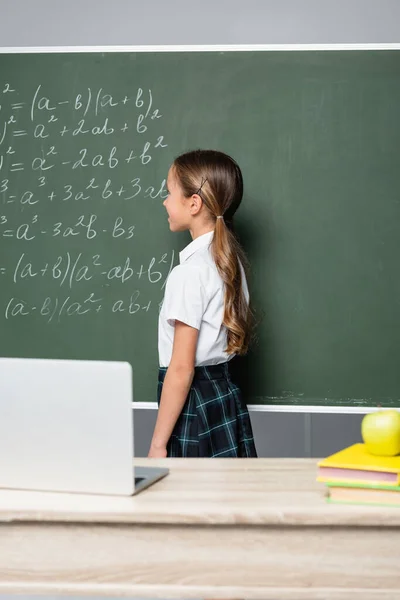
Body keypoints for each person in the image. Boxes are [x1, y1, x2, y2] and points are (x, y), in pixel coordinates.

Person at [148, 149, 257, 459]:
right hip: (223, 396)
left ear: (193, 203)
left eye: (169, 193)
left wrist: (158, 444)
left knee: (189, 500)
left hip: (194, 405)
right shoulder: (229, 264)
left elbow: (181, 369)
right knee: (226, 500)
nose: (165, 201)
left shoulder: (189, 274)